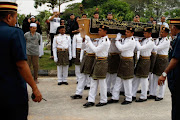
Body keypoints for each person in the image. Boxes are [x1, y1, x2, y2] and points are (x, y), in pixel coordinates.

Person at [0, 1, 42, 119]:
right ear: (9, 17)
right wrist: (34, 88)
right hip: (10, 92)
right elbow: (21, 64)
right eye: (15, 17)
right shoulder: (14, 32)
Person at [83, 25, 110, 108]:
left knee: (102, 82)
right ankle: (91, 100)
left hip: (102, 61)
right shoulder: (101, 39)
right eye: (99, 30)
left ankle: (103, 100)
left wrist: (88, 41)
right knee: (93, 81)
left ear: (105, 31)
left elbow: (95, 50)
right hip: (97, 60)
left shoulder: (106, 41)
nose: (99, 31)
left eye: (100, 30)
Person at [158, 18, 180, 120]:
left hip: (177, 76)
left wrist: (164, 74)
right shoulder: (177, 38)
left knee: (176, 103)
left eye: (171, 28)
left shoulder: (179, 39)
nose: (170, 30)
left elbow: (175, 59)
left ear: (175, 28)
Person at [108, 27, 136, 105]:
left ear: (132, 33)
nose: (126, 33)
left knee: (127, 81)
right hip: (123, 60)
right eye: (126, 32)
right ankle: (115, 97)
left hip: (128, 61)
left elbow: (121, 48)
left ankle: (128, 98)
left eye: (128, 32)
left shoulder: (132, 41)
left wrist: (117, 40)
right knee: (118, 79)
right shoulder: (126, 39)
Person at [132, 27, 154, 102]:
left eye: (145, 33)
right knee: (136, 77)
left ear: (150, 33)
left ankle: (143, 96)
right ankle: (133, 94)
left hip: (146, 60)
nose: (144, 34)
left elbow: (140, 48)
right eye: (144, 33)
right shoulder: (145, 40)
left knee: (144, 78)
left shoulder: (151, 41)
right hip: (141, 59)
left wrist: (136, 40)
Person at [148, 27, 170, 101]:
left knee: (161, 77)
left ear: (166, 33)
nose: (161, 33)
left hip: (163, 59)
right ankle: (152, 93)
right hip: (158, 58)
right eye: (161, 32)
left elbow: (157, 48)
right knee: (154, 76)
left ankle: (160, 95)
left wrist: (151, 42)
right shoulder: (161, 39)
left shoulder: (166, 41)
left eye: (163, 32)